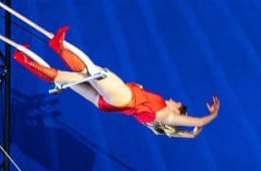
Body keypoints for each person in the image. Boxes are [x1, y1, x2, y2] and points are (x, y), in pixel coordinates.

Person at [13, 25, 220, 138]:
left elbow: (199, 121)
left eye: (178, 104)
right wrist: (190, 135)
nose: (174, 100)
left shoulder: (166, 116)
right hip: (106, 103)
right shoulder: (160, 120)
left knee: (95, 72)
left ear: (177, 111)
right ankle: (24, 60)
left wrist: (213, 114)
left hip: (123, 98)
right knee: (70, 79)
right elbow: (187, 134)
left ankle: (58, 47)